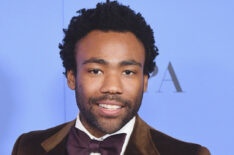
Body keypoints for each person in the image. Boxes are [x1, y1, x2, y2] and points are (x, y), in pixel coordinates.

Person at [12, 1, 210, 155]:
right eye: (96, 71)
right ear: (71, 77)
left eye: (128, 72)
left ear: (145, 81)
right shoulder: (28, 147)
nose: (112, 87)